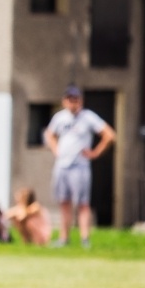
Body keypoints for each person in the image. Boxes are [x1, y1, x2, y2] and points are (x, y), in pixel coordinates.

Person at [44, 85, 115, 248]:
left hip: (80, 166)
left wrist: (95, 153)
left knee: (83, 204)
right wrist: (56, 150)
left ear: (81, 101)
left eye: (75, 99)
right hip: (62, 165)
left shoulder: (88, 117)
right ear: (64, 101)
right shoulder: (59, 118)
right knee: (64, 202)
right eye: (69, 99)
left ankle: (85, 239)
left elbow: (110, 135)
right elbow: (49, 134)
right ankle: (64, 238)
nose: (72, 103)